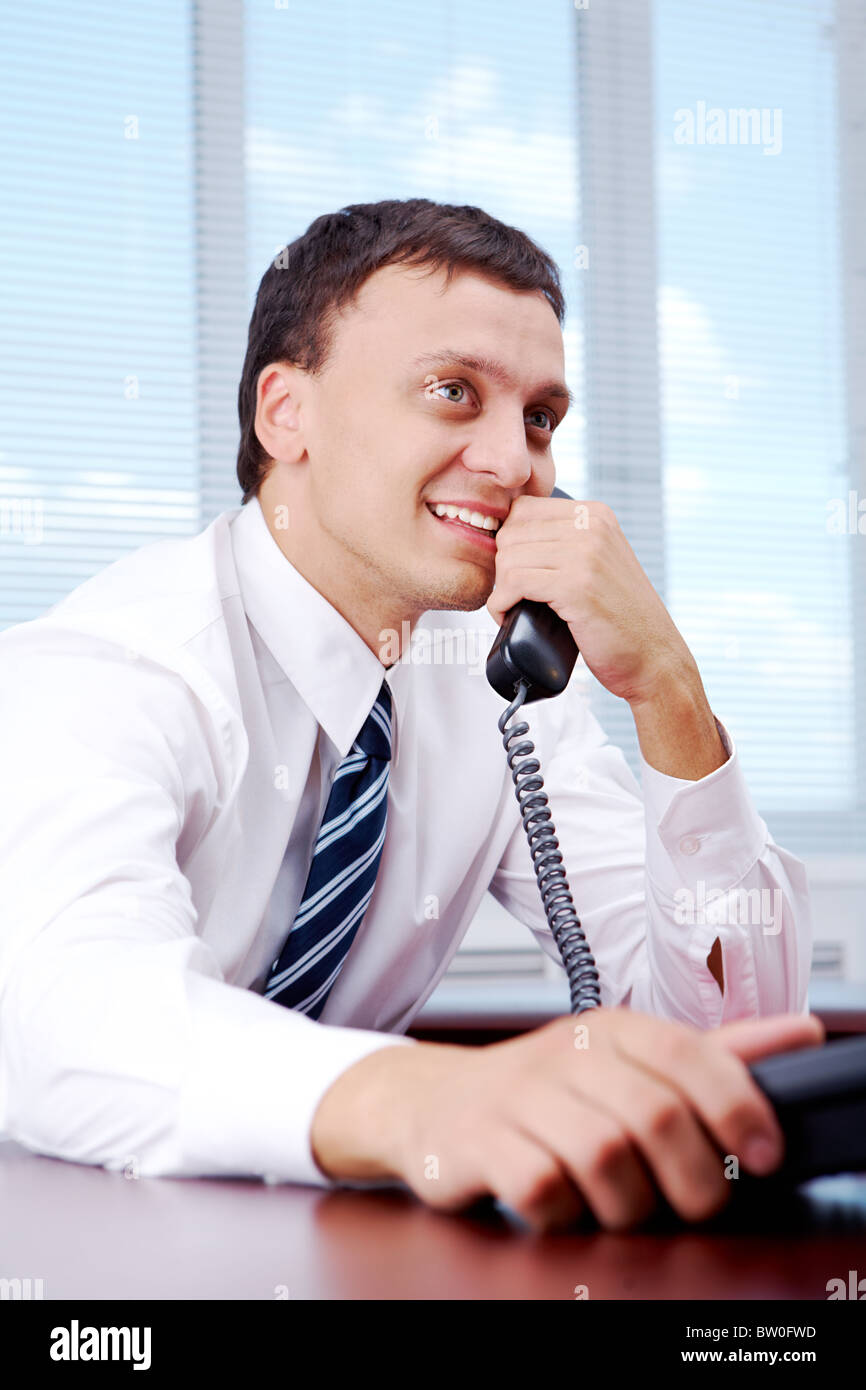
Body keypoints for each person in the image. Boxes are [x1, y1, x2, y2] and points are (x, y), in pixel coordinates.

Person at [0, 198, 821, 1235]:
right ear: (283, 413)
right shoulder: (111, 670)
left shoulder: (497, 691)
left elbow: (735, 1056)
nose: (516, 462)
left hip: (322, 1253)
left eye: (538, 418)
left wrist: (668, 689)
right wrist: (423, 1094)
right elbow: (68, 1017)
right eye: (452, 392)